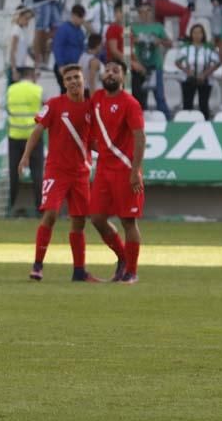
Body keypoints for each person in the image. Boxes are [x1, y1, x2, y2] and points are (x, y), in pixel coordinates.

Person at [19, 64, 102, 282]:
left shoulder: (91, 108)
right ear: (64, 83)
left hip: (81, 172)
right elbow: (37, 130)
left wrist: (108, 151)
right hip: (56, 170)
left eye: (77, 77)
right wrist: (26, 156)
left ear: (83, 80)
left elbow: (91, 141)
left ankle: (79, 271)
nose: (74, 81)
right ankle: (37, 265)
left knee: (79, 220)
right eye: (69, 79)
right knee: (51, 213)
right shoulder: (54, 105)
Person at [89, 60, 146, 284]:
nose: (111, 74)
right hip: (103, 169)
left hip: (125, 169)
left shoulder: (130, 103)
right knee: (96, 218)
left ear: (123, 77)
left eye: (116, 71)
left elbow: (140, 137)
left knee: (128, 221)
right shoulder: (96, 100)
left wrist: (135, 171)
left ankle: (131, 272)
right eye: (108, 71)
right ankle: (123, 259)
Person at [6, 67, 45, 215]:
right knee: (37, 173)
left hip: (15, 135)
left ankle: (10, 206)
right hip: (33, 136)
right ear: (32, 75)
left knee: (14, 173)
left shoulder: (11, 90)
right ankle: (40, 209)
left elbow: (8, 109)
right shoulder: (38, 90)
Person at [131, 3, 172, 119]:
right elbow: (126, 42)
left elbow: (169, 43)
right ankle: (139, 120)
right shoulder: (133, 28)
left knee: (159, 95)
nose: (145, 14)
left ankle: (167, 120)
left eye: (148, 11)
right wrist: (134, 40)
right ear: (139, 14)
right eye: (142, 11)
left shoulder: (158, 27)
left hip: (155, 65)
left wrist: (160, 41)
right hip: (140, 66)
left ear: (151, 13)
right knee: (139, 96)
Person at [176, 24, 221, 119]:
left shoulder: (208, 48)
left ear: (203, 34)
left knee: (203, 104)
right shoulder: (186, 48)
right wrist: (187, 71)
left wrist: (205, 74)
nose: (197, 35)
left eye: (199, 32)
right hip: (188, 78)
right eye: (195, 32)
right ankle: (186, 123)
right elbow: (177, 62)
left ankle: (205, 124)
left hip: (205, 79)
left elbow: (217, 62)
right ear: (191, 34)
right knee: (187, 103)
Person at [51, 5, 87, 93]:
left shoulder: (80, 31)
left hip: (75, 66)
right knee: (66, 91)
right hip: (65, 66)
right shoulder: (63, 29)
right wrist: (60, 65)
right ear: (73, 15)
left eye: (82, 17)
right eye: (80, 17)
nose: (81, 20)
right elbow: (57, 47)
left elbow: (82, 48)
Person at [8, 7, 35, 83]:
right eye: (26, 18)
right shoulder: (16, 30)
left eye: (29, 19)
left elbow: (27, 49)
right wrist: (14, 70)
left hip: (21, 65)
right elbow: (12, 51)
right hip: (15, 67)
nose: (28, 21)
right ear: (20, 16)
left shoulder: (24, 30)